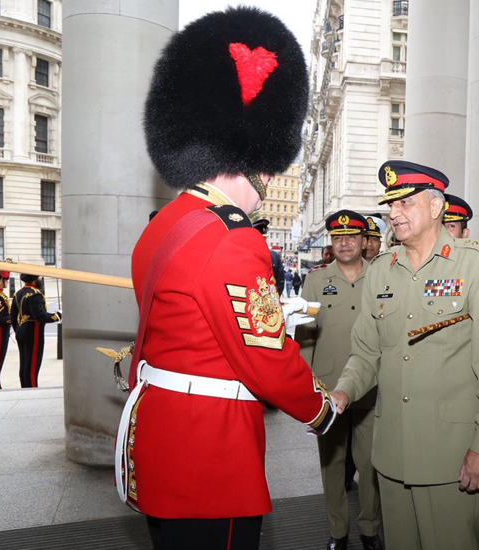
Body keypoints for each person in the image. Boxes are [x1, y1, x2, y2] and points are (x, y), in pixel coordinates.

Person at [126, 8, 335, 549]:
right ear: (260, 157)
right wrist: (320, 408)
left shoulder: (165, 225)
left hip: (164, 439)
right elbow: (264, 356)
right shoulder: (234, 239)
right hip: (210, 455)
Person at [330, 160, 479, 550]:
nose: (394, 213)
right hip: (392, 453)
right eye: (390, 206)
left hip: (452, 452)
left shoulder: (477, 263)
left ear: (436, 207)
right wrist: (343, 393)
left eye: (406, 203)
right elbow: (365, 351)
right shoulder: (380, 270)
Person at [295, 210, 382, 550]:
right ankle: (338, 531)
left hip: (373, 388)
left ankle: (370, 528)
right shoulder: (316, 281)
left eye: (351, 236)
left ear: (364, 241)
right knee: (332, 466)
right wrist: (307, 390)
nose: (345, 242)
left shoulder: (381, 277)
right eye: (337, 237)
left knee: (371, 464)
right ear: (331, 243)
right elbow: (304, 337)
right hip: (329, 389)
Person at [11, 274, 61, 388]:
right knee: (32, 368)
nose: (40, 279)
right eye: (39, 277)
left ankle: (24, 389)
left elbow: (13, 316)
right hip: (33, 334)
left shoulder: (18, 293)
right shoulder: (35, 295)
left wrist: (18, 330)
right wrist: (57, 316)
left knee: (24, 366)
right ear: (34, 280)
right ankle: (31, 391)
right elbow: (40, 316)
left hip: (21, 332)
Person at [252, 217, 286, 297]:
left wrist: (275, 298)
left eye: (263, 238)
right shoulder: (248, 254)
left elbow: (280, 281)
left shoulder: (274, 256)